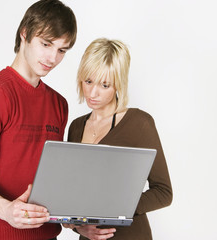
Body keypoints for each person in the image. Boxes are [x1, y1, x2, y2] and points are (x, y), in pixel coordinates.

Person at [0, 1, 77, 239]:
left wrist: (78, 220)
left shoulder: (59, 104)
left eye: (62, 50)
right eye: (46, 44)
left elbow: (52, 178)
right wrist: (6, 209)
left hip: (49, 235)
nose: (52, 57)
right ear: (25, 34)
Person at [65, 38, 173, 240]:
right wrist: (78, 227)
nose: (93, 92)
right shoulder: (76, 127)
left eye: (104, 85)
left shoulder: (139, 123)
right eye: (88, 81)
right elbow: (73, 195)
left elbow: (163, 192)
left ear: (118, 85)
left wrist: (115, 209)